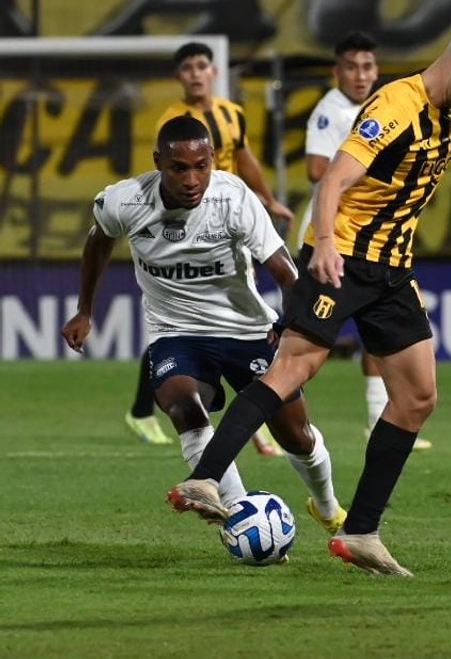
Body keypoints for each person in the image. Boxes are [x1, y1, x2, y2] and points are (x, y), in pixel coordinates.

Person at [167, 18, 451, 576]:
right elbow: (331, 179)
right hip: (345, 256)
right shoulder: (394, 107)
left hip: (393, 271)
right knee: (294, 369)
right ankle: (204, 477)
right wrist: (325, 243)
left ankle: (360, 532)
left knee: (420, 397)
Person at [63, 116, 346, 537]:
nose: (192, 178)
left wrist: (289, 324)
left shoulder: (233, 198)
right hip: (175, 332)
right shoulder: (125, 201)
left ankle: (327, 507)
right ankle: (238, 516)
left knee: (296, 436)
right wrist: (85, 309)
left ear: (213, 160)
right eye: (179, 168)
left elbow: (286, 271)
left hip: (246, 331)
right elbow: (98, 241)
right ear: (158, 162)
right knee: (182, 405)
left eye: (202, 165)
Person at [125, 41, 294, 455]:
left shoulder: (231, 112)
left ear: (213, 71)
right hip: (190, 226)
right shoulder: (173, 121)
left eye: (202, 65)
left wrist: (267, 200)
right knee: (184, 322)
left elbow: (245, 156)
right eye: (187, 68)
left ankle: (250, 418)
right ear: (178, 76)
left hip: (234, 223)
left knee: (234, 313)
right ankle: (149, 409)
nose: (196, 74)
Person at [299, 30, 431, 450]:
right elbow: (318, 169)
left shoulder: (388, 107)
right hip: (334, 236)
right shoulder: (331, 111)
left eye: (368, 66)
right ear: (336, 71)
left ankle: (378, 417)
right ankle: (267, 403)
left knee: (378, 336)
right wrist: (360, 171)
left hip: (369, 240)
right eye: (352, 67)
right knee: (304, 345)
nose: (361, 75)